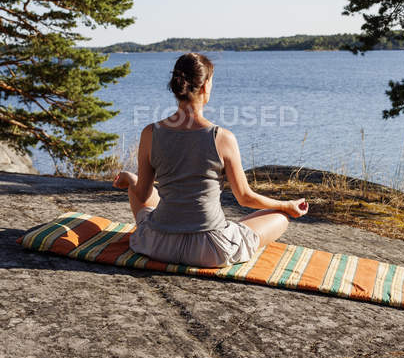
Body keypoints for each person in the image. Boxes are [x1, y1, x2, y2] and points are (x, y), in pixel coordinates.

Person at [113, 52, 309, 268]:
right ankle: (232, 228)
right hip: (208, 250)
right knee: (280, 217)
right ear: (205, 86)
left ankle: (132, 178)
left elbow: (141, 194)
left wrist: (132, 181)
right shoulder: (222, 138)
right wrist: (286, 205)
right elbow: (245, 198)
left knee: (145, 195)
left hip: (158, 245)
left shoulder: (150, 133)